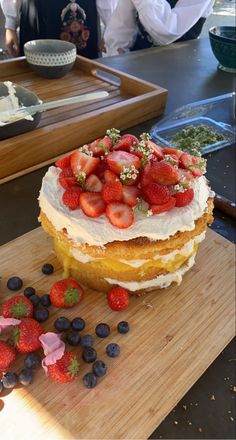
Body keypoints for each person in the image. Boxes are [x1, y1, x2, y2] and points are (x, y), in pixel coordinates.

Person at [0, 0, 118, 58]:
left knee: (84, 84)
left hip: (81, 11)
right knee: (36, 83)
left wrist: (110, 25)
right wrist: (10, 23)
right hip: (38, 13)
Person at [104, 0, 215, 56]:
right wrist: (117, 56)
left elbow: (167, 31)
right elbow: (121, 26)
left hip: (180, 70)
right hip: (137, 64)